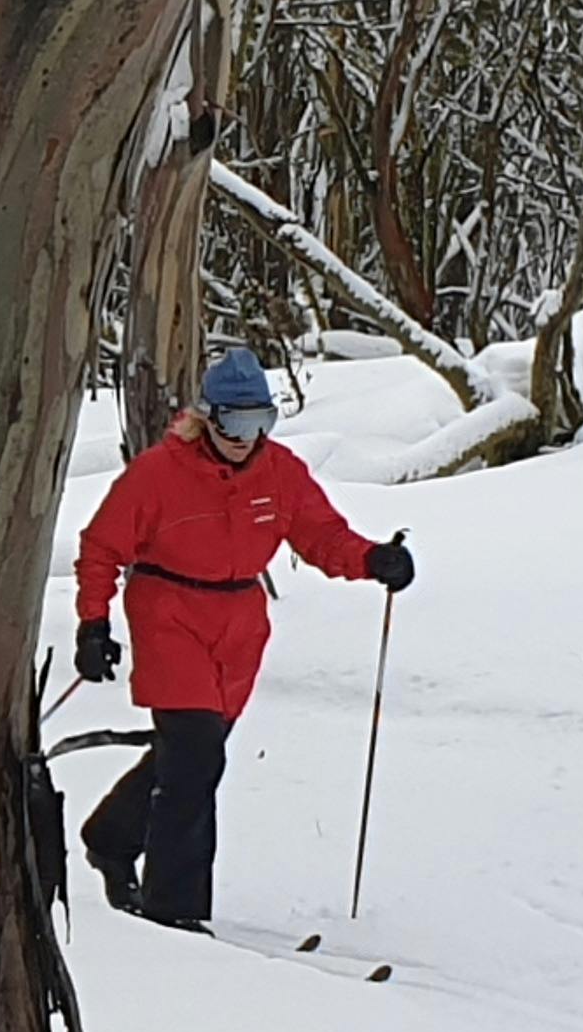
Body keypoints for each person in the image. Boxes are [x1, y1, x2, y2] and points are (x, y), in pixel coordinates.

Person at [68, 346, 414, 930]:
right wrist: (92, 622)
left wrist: (374, 558)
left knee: (190, 757)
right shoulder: (157, 475)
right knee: (195, 755)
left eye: (260, 422)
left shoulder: (280, 473)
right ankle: (173, 913)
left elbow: (321, 536)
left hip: (239, 625)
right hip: (168, 612)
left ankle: (110, 836)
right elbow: (101, 547)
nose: (245, 437)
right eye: (233, 422)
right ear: (208, 416)